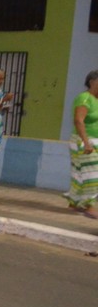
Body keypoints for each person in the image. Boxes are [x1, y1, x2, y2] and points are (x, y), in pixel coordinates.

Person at [65, 70, 98, 217]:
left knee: (79, 174)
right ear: (92, 82)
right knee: (92, 175)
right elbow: (78, 121)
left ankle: (74, 203)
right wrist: (86, 142)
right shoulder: (84, 98)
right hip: (83, 141)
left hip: (92, 140)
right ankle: (89, 206)